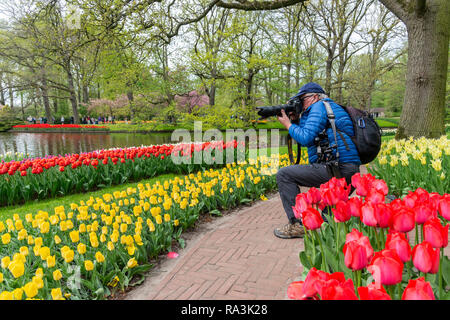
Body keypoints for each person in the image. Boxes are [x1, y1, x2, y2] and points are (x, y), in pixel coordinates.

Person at [273, 82, 361, 239]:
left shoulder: (319, 106)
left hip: (336, 169)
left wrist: (287, 124)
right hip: (348, 170)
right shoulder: (328, 107)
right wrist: (295, 122)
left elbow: (306, 137)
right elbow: (311, 137)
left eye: (302, 99)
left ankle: (297, 225)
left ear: (314, 97)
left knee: (284, 174)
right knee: (330, 223)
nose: (300, 103)